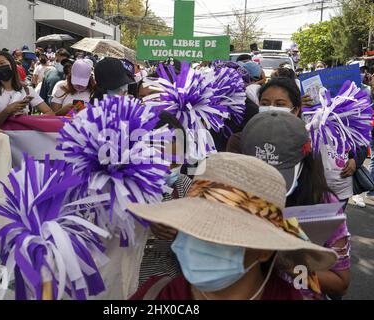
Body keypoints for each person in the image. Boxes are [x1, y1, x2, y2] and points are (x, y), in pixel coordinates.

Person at [129, 153, 338, 300]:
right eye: (191, 228)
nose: (191, 245)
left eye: (218, 235)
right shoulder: (155, 294)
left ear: (263, 250)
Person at [241, 112, 351, 298]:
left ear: (303, 163)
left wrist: (289, 264)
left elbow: (339, 284)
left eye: (279, 175)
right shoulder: (229, 198)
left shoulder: (322, 206)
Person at [138, 111, 192, 286]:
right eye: (161, 161)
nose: (169, 169)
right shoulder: (120, 191)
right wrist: (143, 223)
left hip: (170, 287)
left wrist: (183, 232)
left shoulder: (183, 186)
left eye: (175, 162)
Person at [226, 77, 301, 154]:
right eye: (264, 104)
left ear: (295, 111)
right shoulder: (240, 141)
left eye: (279, 104)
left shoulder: (303, 141)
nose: (270, 108)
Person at [0, 51, 53, 128]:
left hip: (21, 137)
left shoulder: (26, 90)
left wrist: (26, 120)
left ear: (12, 64)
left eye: (2, 63)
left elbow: (50, 114)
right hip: (1, 138)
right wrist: (8, 110)